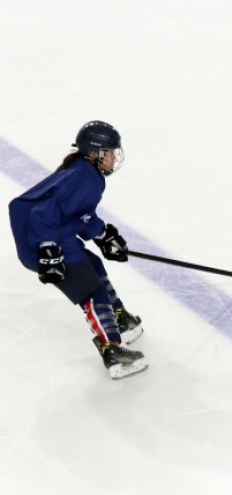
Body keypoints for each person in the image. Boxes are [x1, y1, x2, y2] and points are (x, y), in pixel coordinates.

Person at [8, 121, 148, 380]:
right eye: (109, 152)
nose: (114, 157)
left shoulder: (85, 172)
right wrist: (48, 251)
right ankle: (112, 350)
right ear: (95, 152)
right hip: (41, 242)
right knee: (90, 291)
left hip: (53, 236)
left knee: (92, 264)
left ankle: (118, 316)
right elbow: (41, 214)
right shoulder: (85, 176)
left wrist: (102, 234)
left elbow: (75, 214)